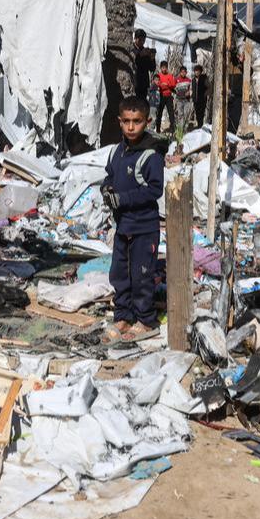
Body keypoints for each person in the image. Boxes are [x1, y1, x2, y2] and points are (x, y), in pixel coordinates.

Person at [101, 96, 164, 341]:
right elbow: (109, 177)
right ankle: (123, 317)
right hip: (123, 225)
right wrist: (107, 190)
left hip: (144, 227)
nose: (130, 127)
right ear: (119, 121)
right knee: (120, 273)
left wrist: (123, 199)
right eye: (126, 121)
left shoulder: (151, 155)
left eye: (136, 122)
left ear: (146, 121)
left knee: (142, 275)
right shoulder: (117, 151)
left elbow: (154, 189)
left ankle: (146, 320)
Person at [132, 30, 155, 100]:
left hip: (144, 84)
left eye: (143, 40)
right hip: (134, 82)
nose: (142, 42)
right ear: (135, 38)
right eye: (140, 40)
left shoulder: (145, 51)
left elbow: (152, 68)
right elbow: (133, 62)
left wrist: (152, 58)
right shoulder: (131, 49)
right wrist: (140, 55)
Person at [154, 60, 176, 132]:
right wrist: (162, 85)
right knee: (159, 113)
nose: (164, 69)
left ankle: (173, 129)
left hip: (169, 96)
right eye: (162, 67)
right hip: (161, 96)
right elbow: (157, 84)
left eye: (165, 67)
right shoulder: (159, 75)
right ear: (160, 68)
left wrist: (167, 85)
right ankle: (158, 129)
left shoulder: (170, 75)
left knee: (171, 113)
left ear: (167, 68)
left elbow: (173, 85)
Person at [173, 65, 193, 131]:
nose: (183, 73)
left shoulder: (189, 80)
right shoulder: (176, 80)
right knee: (180, 115)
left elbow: (191, 89)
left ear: (186, 72)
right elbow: (173, 89)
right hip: (179, 100)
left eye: (184, 72)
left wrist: (189, 92)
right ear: (180, 72)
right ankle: (180, 130)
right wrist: (174, 97)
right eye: (182, 72)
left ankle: (185, 129)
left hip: (187, 100)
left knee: (186, 114)